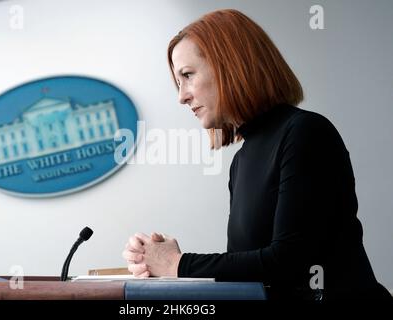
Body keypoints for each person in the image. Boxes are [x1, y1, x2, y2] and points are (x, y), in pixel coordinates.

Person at [122, 9, 392, 300]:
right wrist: (167, 259)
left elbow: (289, 262)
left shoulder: (305, 132)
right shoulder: (241, 161)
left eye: (187, 75)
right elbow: (252, 274)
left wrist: (178, 264)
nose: (182, 96)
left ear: (231, 64)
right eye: (178, 82)